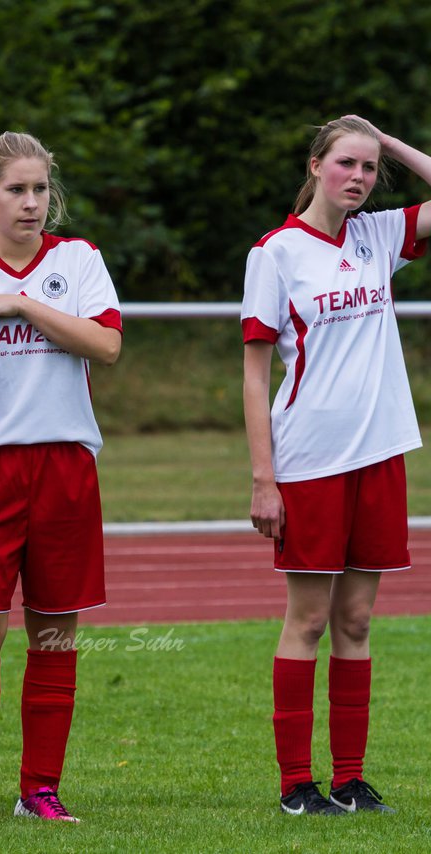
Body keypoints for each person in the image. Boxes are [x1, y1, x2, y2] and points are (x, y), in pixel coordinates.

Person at [0, 132, 122, 824]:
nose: (32, 203)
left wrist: (20, 303)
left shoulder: (78, 260)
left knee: (55, 633)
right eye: (16, 190)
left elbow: (107, 343)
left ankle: (40, 787)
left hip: (65, 463)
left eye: (40, 189)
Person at [242, 115, 431, 816]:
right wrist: (264, 478)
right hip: (311, 461)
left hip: (379, 455)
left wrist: (387, 139)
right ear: (316, 163)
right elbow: (256, 375)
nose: (359, 177)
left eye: (369, 167)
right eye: (346, 163)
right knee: (310, 621)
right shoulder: (277, 253)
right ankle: (297, 785)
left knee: (357, 622)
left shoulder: (380, 237)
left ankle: (349, 780)